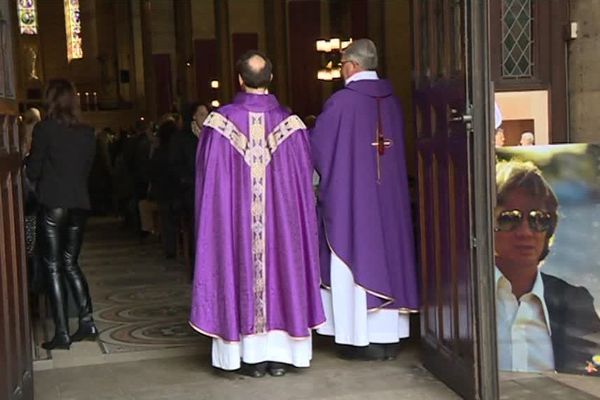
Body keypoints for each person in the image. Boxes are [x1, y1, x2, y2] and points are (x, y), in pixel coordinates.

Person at [189, 50, 325, 377]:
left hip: (236, 228)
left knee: (238, 268)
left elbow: (208, 187)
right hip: (281, 229)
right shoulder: (292, 127)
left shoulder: (219, 125)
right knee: (283, 269)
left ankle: (246, 357)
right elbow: (304, 188)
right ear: (271, 79)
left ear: (239, 79)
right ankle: (281, 357)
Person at [310, 39, 419, 360]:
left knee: (354, 250)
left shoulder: (341, 103)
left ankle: (360, 339)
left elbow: (317, 148)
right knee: (389, 253)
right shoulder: (393, 102)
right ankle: (390, 337)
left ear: (350, 66)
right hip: (390, 202)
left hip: (353, 204)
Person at [495, 160, 600, 374]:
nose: (525, 232)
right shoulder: (463, 300)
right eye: (509, 219)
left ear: (549, 230)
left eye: (538, 219)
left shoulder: (575, 302)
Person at [26, 79, 98, 350]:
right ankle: (87, 321)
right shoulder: (87, 132)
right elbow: (88, 168)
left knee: (53, 266)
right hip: (79, 204)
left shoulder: (44, 129)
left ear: (51, 100)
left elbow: (33, 171)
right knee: (71, 263)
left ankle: (61, 333)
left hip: (53, 204)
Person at [149, 120, 178, 258]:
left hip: (163, 190)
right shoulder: (176, 151)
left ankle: (170, 249)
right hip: (176, 190)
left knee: (167, 222)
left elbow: (152, 171)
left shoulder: (158, 152)